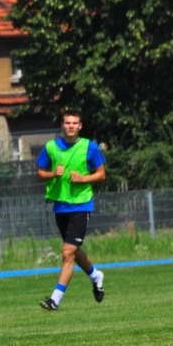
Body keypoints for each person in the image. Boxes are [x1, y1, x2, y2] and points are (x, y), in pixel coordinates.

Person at [36, 110, 106, 310]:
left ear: (80, 126)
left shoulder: (89, 147)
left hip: (81, 205)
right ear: (62, 125)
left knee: (67, 252)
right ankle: (96, 276)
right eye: (67, 123)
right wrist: (52, 174)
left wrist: (84, 178)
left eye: (74, 123)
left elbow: (101, 175)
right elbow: (39, 174)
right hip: (60, 206)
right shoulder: (51, 147)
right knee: (73, 251)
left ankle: (55, 299)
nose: (71, 126)